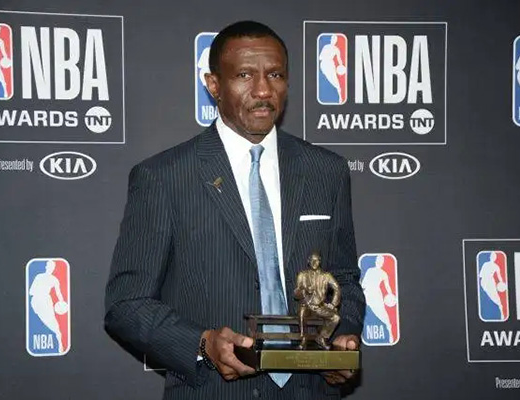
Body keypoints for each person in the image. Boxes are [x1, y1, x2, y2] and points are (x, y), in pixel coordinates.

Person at [105, 20, 365, 399]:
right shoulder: (164, 177)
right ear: (213, 85)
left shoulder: (326, 171)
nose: (263, 89)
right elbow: (127, 304)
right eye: (245, 75)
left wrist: (343, 337)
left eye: (275, 74)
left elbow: (343, 278)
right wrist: (202, 344)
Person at [294, 252, 341, 350]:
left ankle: (322, 337)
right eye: (312, 260)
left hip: (320, 307)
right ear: (308, 262)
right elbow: (296, 294)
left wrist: (333, 304)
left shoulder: (326, 276)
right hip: (306, 305)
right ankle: (303, 339)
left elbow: (337, 288)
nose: (315, 263)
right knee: (301, 314)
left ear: (320, 262)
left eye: (317, 260)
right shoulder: (302, 275)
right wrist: (304, 290)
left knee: (336, 318)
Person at [29, 260, 67, 353]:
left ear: (53, 268)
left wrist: (62, 302)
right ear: (46, 267)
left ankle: (60, 344)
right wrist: (40, 292)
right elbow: (31, 292)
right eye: (49, 266)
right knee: (44, 321)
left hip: (46, 301)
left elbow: (59, 294)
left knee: (55, 325)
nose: (50, 268)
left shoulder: (54, 280)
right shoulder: (39, 276)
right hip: (37, 302)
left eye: (52, 267)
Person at [360, 255, 396, 343]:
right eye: (378, 260)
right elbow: (363, 284)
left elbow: (387, 287)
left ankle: (390, 333)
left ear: (382, 263)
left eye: (381, 261)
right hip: (366, 295)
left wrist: (390, 295)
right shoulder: (370, 270)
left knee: (384, 317)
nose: (379, 262)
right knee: (359, 313)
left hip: (376, 296)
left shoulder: (383, 273)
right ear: (376, 262)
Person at [479, 252, 506, 320]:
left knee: (497, 300)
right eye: (492, 256)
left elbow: (499, 276)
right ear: (490, 257)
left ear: (495, 258)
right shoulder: (485, 264)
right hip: (485, 282)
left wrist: (502, 283)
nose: (493, 258)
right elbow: (481, 275)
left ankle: (502, 314)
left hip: (491, 282)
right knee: (490, 297)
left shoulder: (496, 266)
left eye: (494, 257)